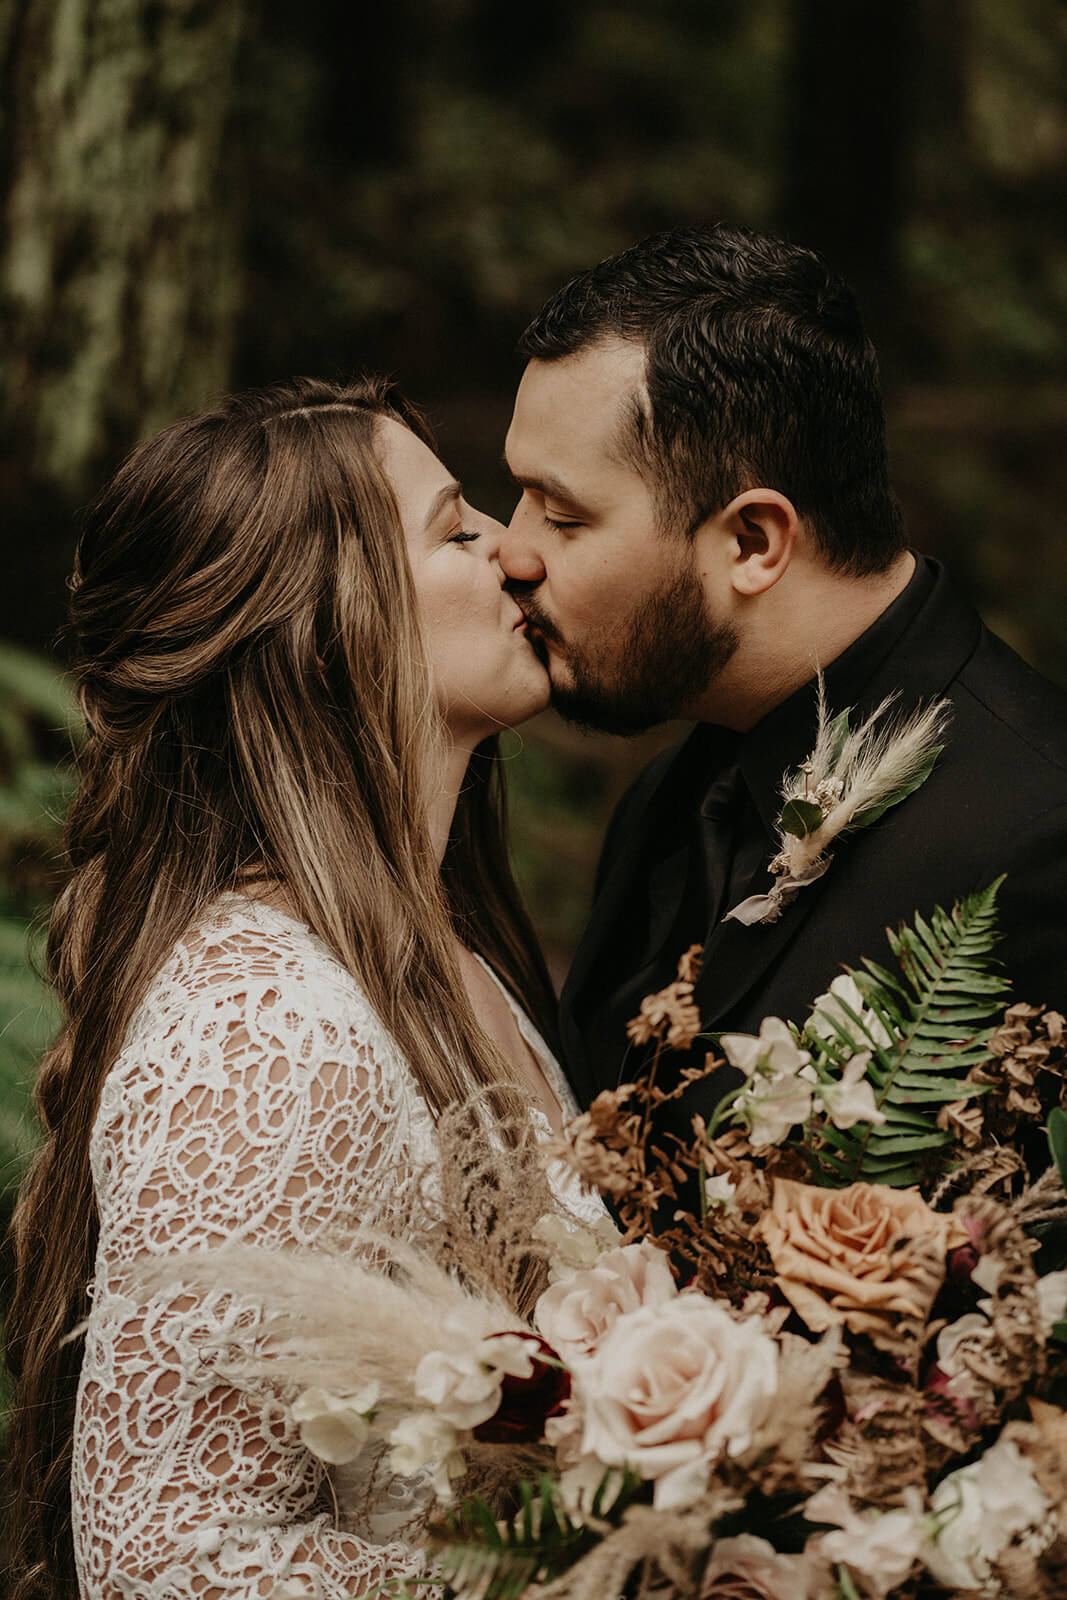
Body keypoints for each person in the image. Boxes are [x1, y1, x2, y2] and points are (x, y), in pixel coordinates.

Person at [4, 377, 587, 1600]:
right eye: (453, 526)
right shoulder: (265, 1022)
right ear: (329, 625)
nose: (514, 552)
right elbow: (172, 1564)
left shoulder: (445, 953)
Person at [499, 222, 1067, 1138]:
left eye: (562, 516)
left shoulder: (1042, 840)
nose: (510, 549)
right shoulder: (676, 786)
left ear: (753, 543)